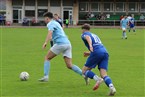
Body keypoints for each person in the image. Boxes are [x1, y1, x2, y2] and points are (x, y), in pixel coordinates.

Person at [38, 12, 82, 82]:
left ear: (47, 18)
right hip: (68, 44)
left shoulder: (50, 24)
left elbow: (50, 33)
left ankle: (46, 76)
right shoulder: (56, 22)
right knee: (69, 65)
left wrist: (45, 42)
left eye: (45, 19)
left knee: (47, 58)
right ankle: (84, 74)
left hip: (60, 44)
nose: (44, 20)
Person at [81, 24, 116, 96]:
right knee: (104, 74)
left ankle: (98, 79)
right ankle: (112, 88)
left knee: (84, 71)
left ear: (83, 29)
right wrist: (89, 52)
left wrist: (90, 45)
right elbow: (98, 46)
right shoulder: (94, 35)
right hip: (105, 52)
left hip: (96, 52)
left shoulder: (85, 34)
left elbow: (87, 37)